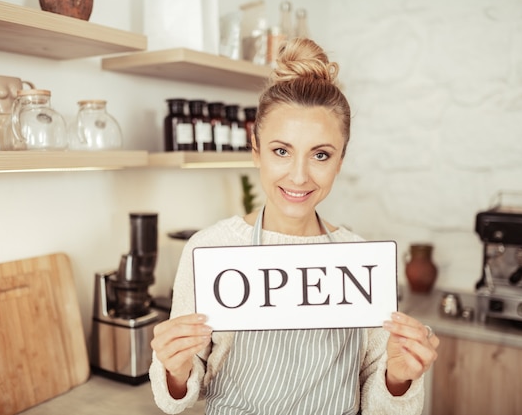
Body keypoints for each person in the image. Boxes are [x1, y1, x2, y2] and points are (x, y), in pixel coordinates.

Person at [150, 37, 439, 415]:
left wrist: (398, 378)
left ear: (340, 160)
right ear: (256, 150)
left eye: (320, 154)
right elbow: (179, 393)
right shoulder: (211, 249)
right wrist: (174, 367)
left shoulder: (359, 260)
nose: (299, 176)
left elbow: (378, 396)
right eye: (281, 151)